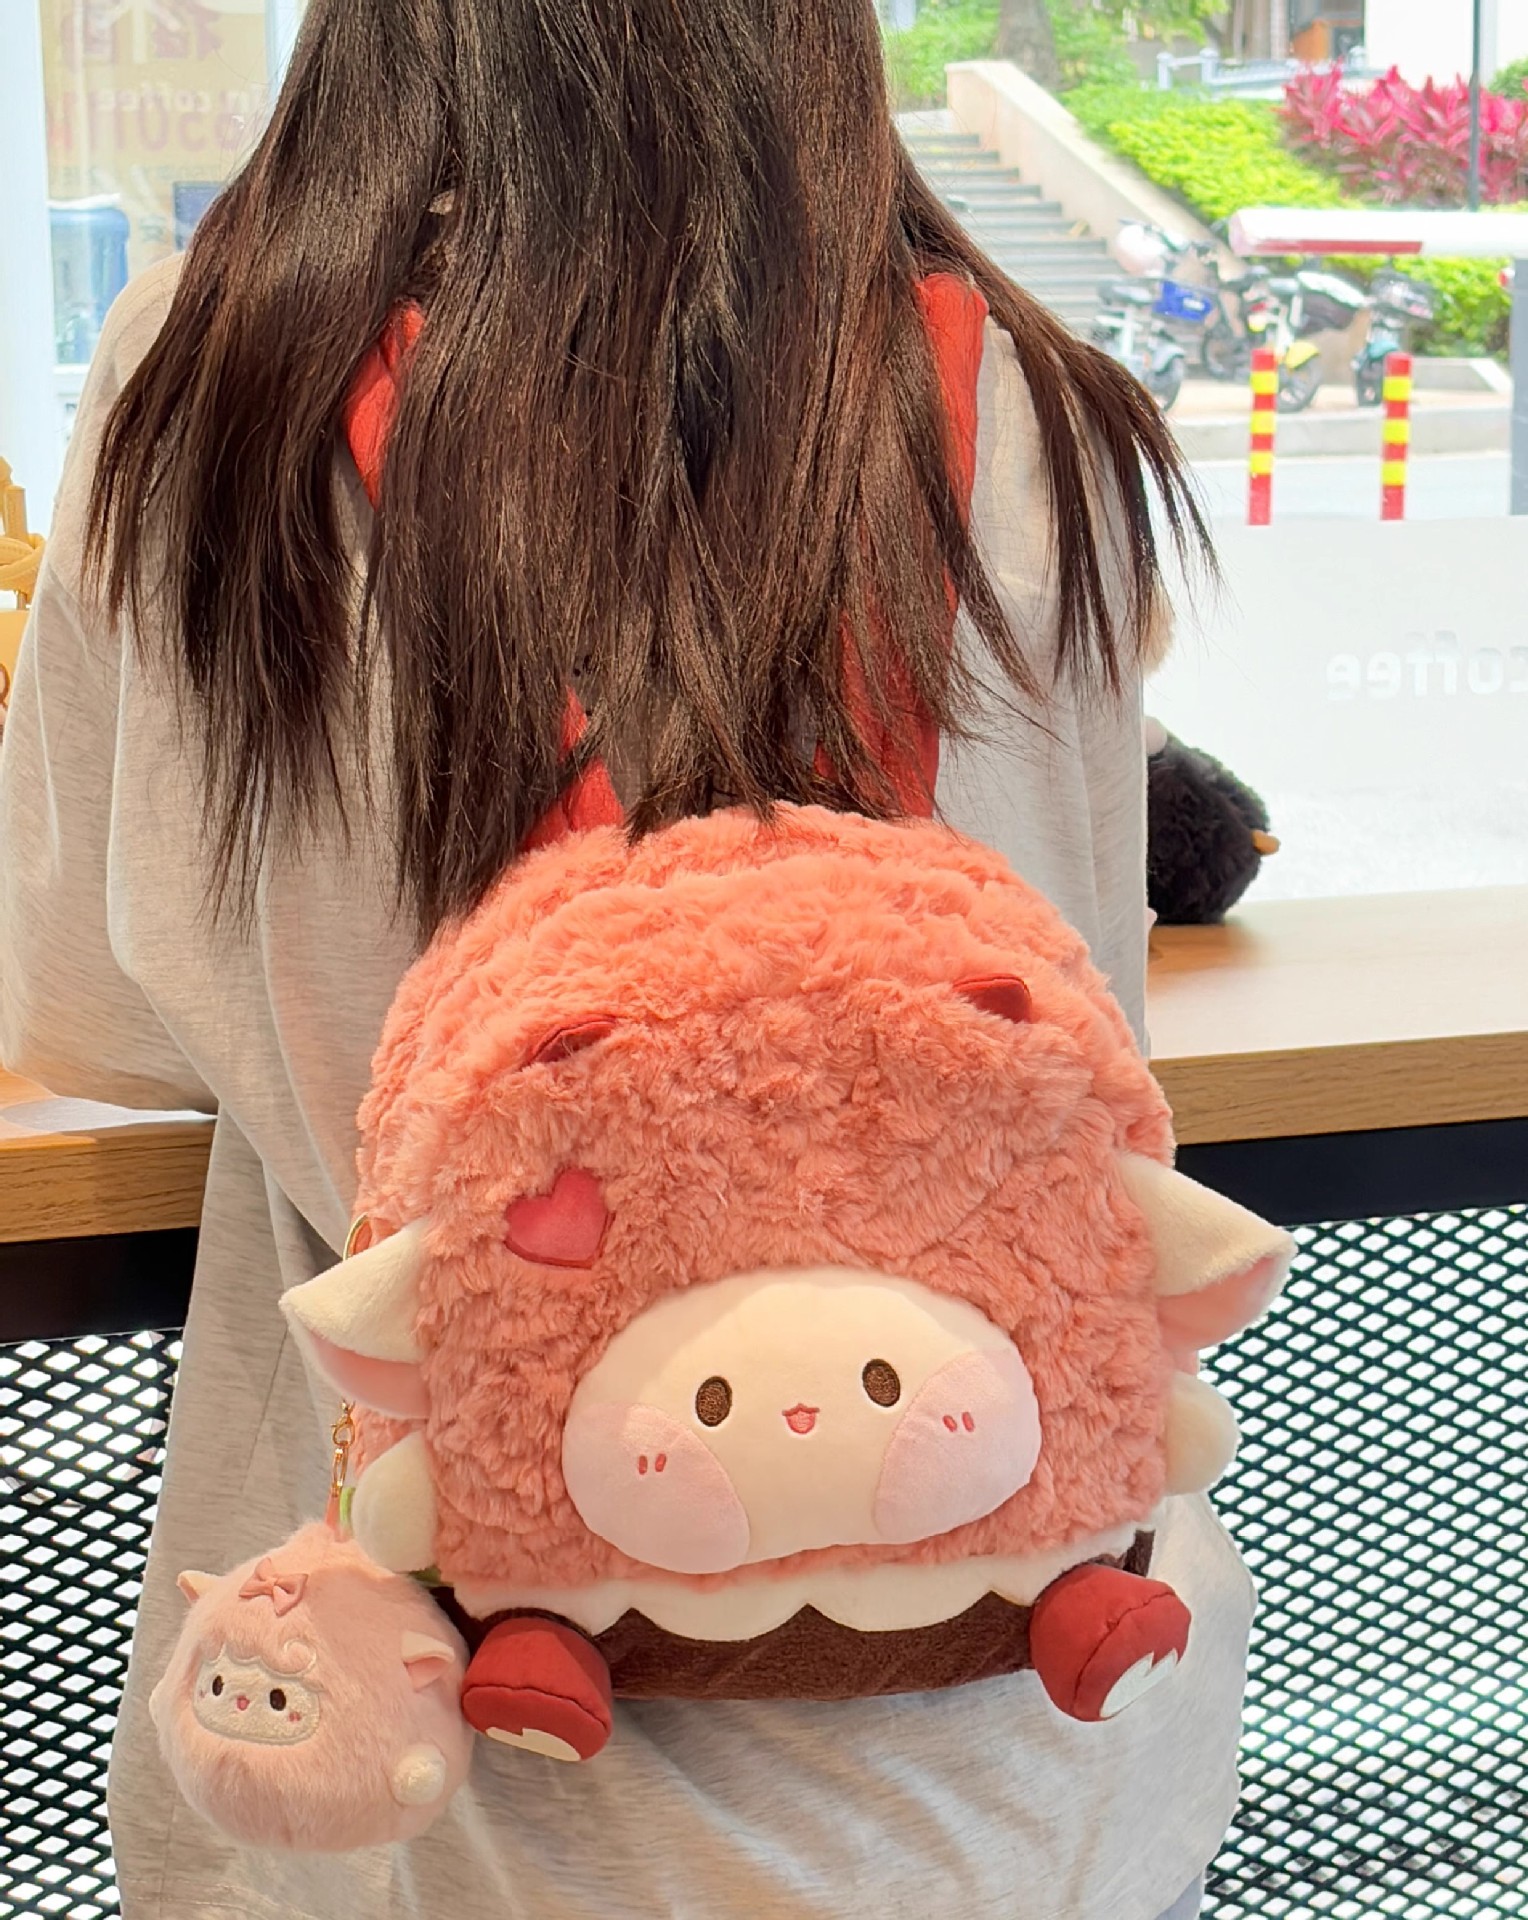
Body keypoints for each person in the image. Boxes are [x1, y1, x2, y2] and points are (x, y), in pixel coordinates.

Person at [0, 0, 1250, 1914]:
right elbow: (1075, 1037)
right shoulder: (1028, 394)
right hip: (1030, 1741)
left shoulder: (216, 374)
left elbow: (86, 1008)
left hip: (434, 1751)